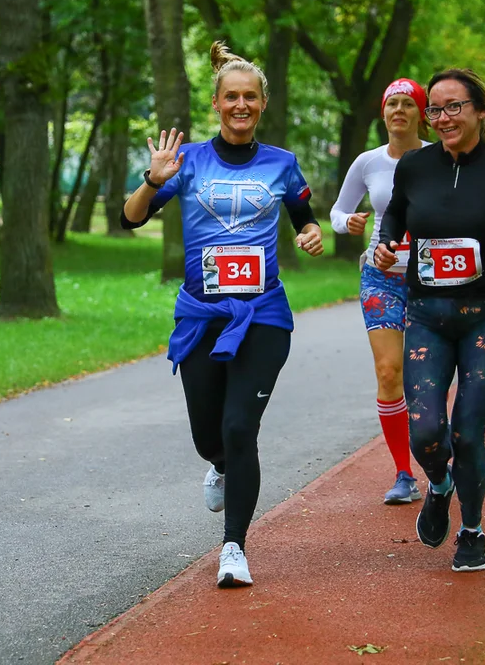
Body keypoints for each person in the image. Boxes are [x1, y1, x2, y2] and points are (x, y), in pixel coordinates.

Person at [121, 41, 324, 589]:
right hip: (201, 316)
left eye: (250, 97)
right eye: (231, 96)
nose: (241, 105)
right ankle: (218, 462)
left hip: (262, 314)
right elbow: (130, 219)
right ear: (216, 103)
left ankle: (233, 547)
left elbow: (305, 218)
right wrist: (153, 179)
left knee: (240, 429)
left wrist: (309, 232)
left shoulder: (282, 164)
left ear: (263, 104)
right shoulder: (187, 162)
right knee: (209, 437)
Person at [374, 68, 485, 573]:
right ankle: (440, 483)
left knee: (468, 433)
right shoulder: (414, 166)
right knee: (426, 431)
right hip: (426, 313)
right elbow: (395, 219)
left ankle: (471, 529)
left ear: (479, 111)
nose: (443, 117)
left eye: (454, 107)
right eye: (436, 108)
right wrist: (386, 245)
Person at [330, 78, 429, 505]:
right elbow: (338, 210)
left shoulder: (438, 159)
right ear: (383, 113)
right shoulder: (368, 162)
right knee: (389, 372)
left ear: (421, 113)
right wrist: (346, 224)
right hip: (380, 277)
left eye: (409, 104)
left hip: (430, 280)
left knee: (427, 378)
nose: (399, 111)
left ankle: (440, 463)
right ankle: (403, 473)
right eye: (393, 104)